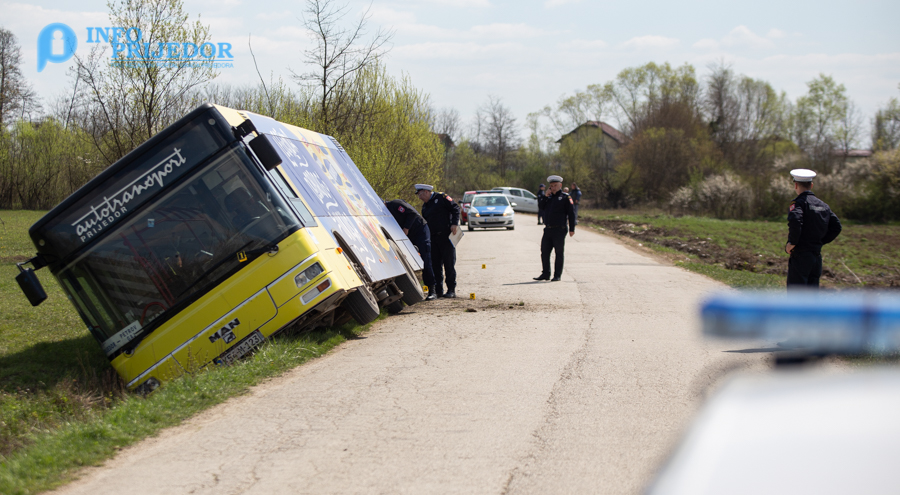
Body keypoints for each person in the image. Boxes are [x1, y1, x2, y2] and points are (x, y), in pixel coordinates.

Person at [785, 168, 842, 288]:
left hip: (801, 255)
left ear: (796, 185)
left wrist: (792, 242)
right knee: (812, 297)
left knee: (796, 295)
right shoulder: (823, 205)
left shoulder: (798, 203)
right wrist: (821, 241)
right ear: (811, 185)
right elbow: (836, 226)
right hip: (816, 256)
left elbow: (796, 220)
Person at [384, 198, 437, 300]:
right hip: (408, 236)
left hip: (420, 231)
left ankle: (432, 290)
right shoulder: (385, 213)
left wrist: (406, 228)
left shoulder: (396, 204)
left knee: (425, 259)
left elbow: (412, 213)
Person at [416, 184, 461, 298]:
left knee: (449, 264)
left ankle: (451, 290)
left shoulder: (441, 198)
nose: (419, 197)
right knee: (435, 265)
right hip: (433, 238)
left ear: (426, 192)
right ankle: (438, 290)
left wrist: (455, 224)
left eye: (420, 194)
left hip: (446, 236)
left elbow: (455, 208)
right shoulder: (425, 207)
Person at [534, 175, 576, 282]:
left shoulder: (566, 197)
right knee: (544, 251)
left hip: (559, 229)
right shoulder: (548, 197)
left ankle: (557, 275)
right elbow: (541, 207)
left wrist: (572, 228)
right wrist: (545, 196)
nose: (553, 188)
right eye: (551, 186)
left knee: (558, 252)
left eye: (555, 186)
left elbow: (571, 214)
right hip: (548, 229)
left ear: (560, 185)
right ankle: (545, 273)